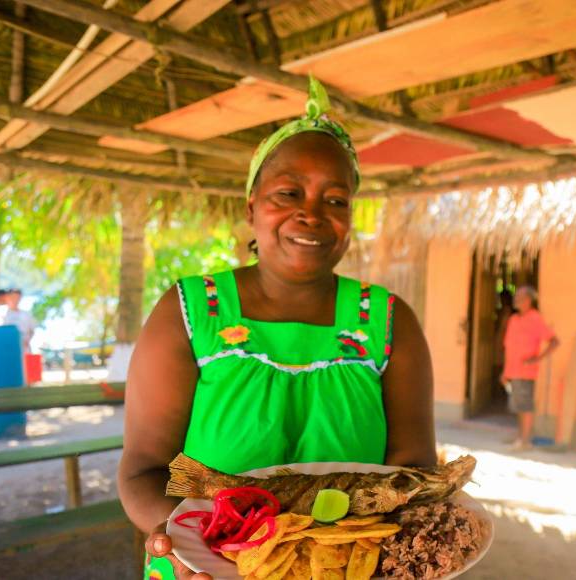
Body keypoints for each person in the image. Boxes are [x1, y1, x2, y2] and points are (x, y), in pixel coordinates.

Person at [118, 77, 437, 580]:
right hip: (206, 568)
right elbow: (143, 471)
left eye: (335, 200)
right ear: (251, 208)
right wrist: (179, 539)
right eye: (288, 192)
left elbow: (414, 471)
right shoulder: (190, 311)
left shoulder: (389, 322)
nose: (311, 214)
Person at [501, 286, 559, 450]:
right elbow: (508, 346)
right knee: (518, 406)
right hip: (513, 371)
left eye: (519, 297)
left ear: (528, 300)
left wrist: (537, 359)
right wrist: (505, 371)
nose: (515, 299)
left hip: (526, 372)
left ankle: (524, 441)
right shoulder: (513, 320)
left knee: (525, 406)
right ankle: (521, 437)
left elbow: (554, 341)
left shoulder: (535, 319)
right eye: (516, 296)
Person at [2, 288, 37, 353]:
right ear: (7, 297)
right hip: (6, 349)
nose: (15, 300)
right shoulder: (2, 313)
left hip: (23, 350)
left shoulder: (27, 314)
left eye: (17, 298)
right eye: (13, 297)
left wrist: (27, 340)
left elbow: (32, 330)